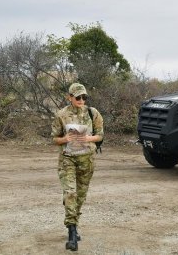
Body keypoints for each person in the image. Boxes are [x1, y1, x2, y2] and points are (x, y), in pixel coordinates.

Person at [51, 83, 104, 251]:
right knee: (70, 192)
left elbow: (100, 136)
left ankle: (74, 219)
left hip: (86, 160)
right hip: (67, 159)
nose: (81, 100)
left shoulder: (92, 113)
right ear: (69, 97)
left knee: (80, 195)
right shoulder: (61, 115)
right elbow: (54, 139)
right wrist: (65, 139)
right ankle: (72, 232)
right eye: (78, 97)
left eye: (84, 97)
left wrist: (88, 138)